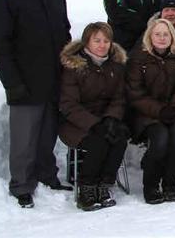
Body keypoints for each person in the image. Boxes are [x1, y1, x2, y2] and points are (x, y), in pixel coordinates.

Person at [0, 0, 73, 208]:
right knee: (24, 139)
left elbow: (65, 33)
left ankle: (47, 175)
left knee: (48, 134)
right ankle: (22, 185)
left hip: (54, 78)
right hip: (25, 81)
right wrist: (12, 83)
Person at [58, 22, 129, 211]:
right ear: (86, 42)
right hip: (76, 123)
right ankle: (87, 188)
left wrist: (112, 118)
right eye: (96, 40)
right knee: (99, 141)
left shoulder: (116, 65)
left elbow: (119, 97)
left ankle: (104, 185)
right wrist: (94, 124)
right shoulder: (74, 66)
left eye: (106, 41)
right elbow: (68, 105)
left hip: (106, 118)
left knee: (119, 137)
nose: (102, 45)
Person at [127, 19, 175, 204]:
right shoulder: (138, 58)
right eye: (157, 34)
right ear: (150, 36)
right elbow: (135, 93)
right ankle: (151, 185)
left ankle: (170, 184)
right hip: (147, 114)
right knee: (160, 139)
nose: (162, 38)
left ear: (172, 36)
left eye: (166, 34)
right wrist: (159, 110)